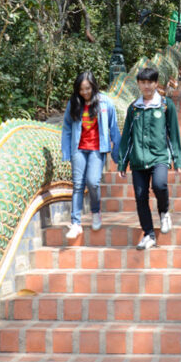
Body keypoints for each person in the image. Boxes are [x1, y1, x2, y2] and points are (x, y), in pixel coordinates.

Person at [118, 66, 181, 250]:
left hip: (159, 156)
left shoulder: (165, 105)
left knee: (160, 185)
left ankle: (164, 212)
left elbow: (174, 133)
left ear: (156, 83)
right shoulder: (133, 108)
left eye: (150, 82)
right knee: (140, 197)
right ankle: (148, 234)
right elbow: (127, 136)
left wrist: (177, 159)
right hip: (138, 159)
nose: (147, 86)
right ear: (138, 84)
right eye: (143, 82)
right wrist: (123, 162)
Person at [61, 71, 121, 239]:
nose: (85, 92)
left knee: (93, 182)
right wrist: (66, 152)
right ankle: (76, 223)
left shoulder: (105, 103)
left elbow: (114, 128)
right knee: (78, 184)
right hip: (78, 149)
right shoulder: (73, 103)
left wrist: (117, 153)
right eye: (81, 89)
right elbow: (66, 127)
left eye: (88, 88)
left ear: (94, 86)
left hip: (97, 149)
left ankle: (96, 211)